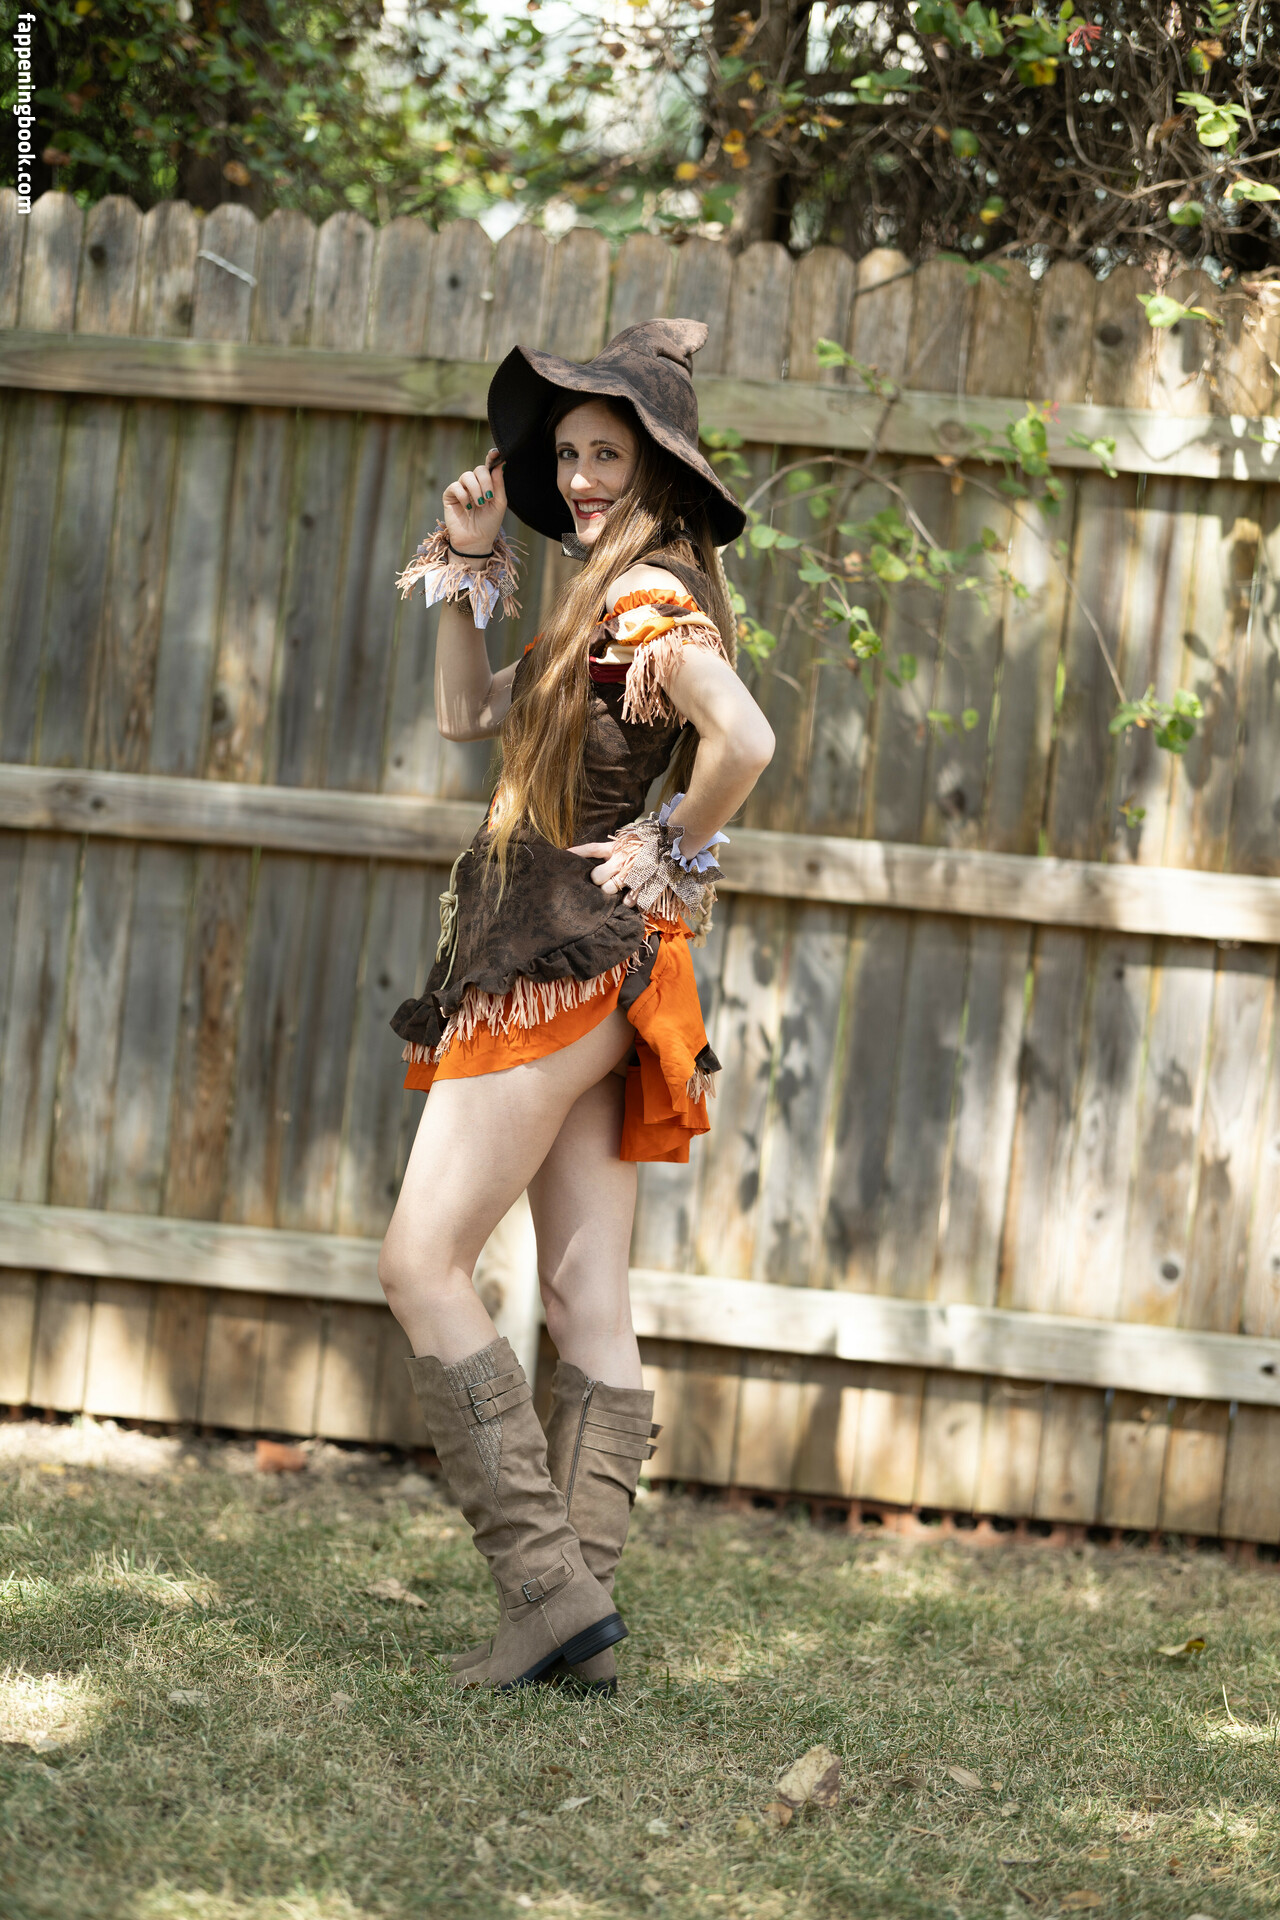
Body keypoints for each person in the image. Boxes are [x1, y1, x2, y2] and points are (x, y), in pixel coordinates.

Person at [377, 319, 774, 1694]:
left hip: (555, 958)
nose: (582, 478)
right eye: (567, 456)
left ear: (657, 471)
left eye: (608, 454)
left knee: (420, 1265)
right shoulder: (606, 603)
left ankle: (545, 1592)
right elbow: (463, 717)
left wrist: (675, 843)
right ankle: (580, 1620)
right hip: (617, 971)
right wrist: (471, 565)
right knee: (581, 1291)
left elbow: (745, 737)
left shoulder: (646, 598)